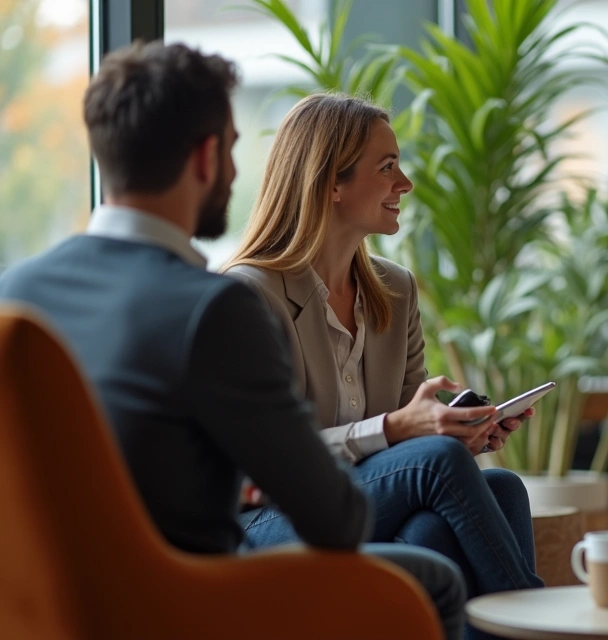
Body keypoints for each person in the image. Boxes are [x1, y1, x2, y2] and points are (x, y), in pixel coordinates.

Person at [0, 42, 467, 640]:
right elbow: (337, 518)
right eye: (233, 150)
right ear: (206, 157)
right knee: (434, 579)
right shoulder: (212, 308)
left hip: (49, 608)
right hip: (184, 601)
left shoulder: (16, 291)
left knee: (429, 537)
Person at [221, 93, 544, 605]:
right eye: (388, 166)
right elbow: (266, 461)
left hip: (363, 502)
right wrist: (398, 431)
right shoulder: (249, 294)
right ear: (331, 182)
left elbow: (417, 442)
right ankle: (545, 621)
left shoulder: (395, 289)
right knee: (438, 468)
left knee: (491, 494)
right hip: (270, 520)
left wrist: (462, 431)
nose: (405, 184)